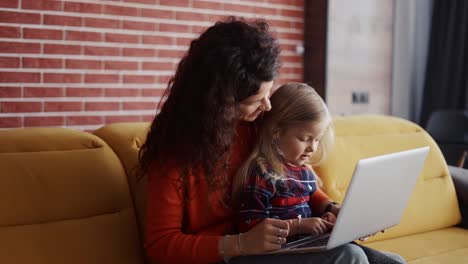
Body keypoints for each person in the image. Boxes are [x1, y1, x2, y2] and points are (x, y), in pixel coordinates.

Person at [139, 17, 378, 264]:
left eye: (268, 93)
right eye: (256, 100)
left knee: (388, 261)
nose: (268, 106)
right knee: (349, 258)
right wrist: (240, 243)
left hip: (275, 247)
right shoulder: (173, 155)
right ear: (220, 101)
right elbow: (160, 246)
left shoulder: (254, 127)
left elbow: (294, 181)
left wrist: (330, 208)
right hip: (226, 256)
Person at [231, 83, 406, 264]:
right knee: (352, 256)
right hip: (271, 253)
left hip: (304, 245)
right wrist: (298, 227)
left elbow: (312, 203)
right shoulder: (262, 173)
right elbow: (250, 228)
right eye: (304, 139)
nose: (312, 148)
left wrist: (328, 220)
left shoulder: (304, 171)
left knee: (394, 261)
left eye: (317, 139)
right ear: (276, 132)